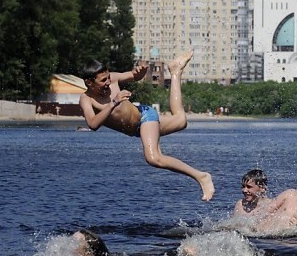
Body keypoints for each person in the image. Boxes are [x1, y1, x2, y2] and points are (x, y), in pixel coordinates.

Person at [79, 51, 214, 201]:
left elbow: (133, 76)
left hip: (145, 116)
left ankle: (201, 176)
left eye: (109, 77)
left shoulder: (114, 80)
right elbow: (92, 124)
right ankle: (175, 72)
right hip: (138, 129)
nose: (108, 82)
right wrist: (114, 103)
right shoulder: (86, 99)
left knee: (154, 158)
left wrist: (140, 73)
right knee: (180, 121)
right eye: (103, 80)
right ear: (89, 82)